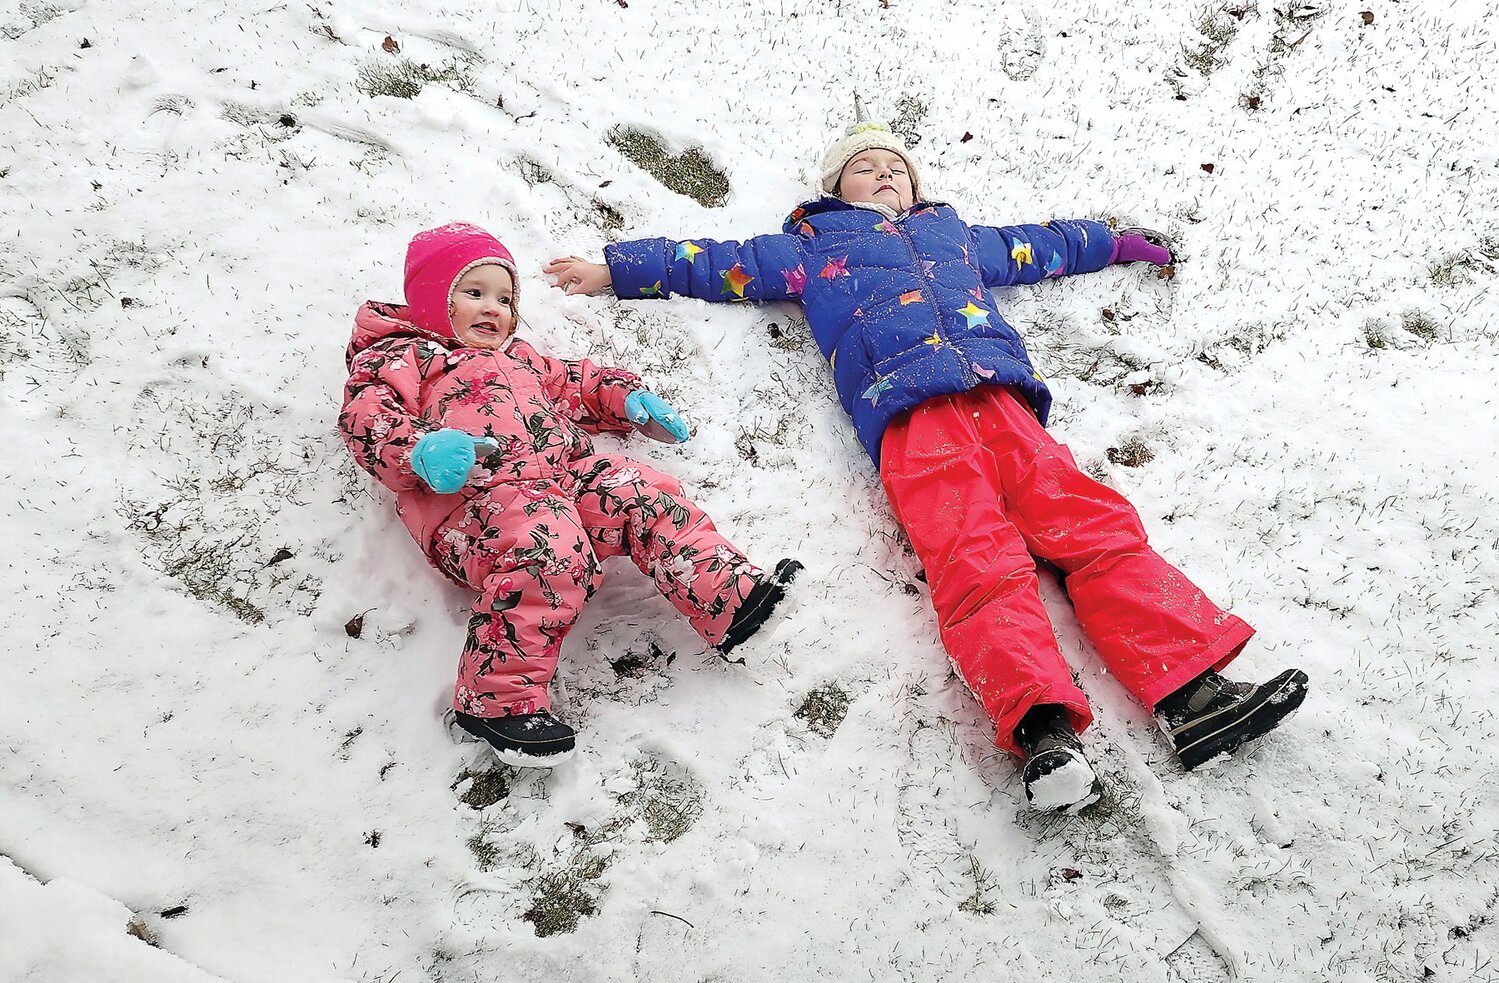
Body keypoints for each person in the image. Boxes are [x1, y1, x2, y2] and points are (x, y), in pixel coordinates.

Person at [543, 100, 1308, 811]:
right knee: (974, 557)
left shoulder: (955, 237)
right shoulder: (808, 248)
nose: (883, 175)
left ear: (915, 187)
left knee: (1093, 529)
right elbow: (710, 261)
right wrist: (614, 267)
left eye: (895, 168)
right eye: (864, 167)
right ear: (834, 187)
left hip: (1003, 402)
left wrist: (1111, 242)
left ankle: (1192, 697)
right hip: (911, 418)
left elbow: (1037, 246)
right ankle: (1043, 732)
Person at [339, 222, 800, 767]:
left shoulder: (524, 359)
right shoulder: (402, 358)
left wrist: (627, 400)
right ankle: (497, 700)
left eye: (506, 298)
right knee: (552, 550)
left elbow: (577, 383)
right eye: (473, 293)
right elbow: (366, 418)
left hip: (563, 475)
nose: (494, 308)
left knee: (641, 494)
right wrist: (419, 451)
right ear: (431, 301)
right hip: (477, 502)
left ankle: (727, 600)